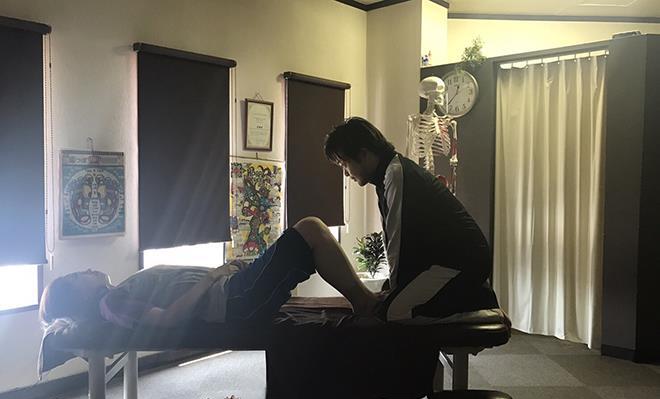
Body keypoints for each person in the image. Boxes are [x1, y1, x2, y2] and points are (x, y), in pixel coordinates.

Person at [39, 217, 380, 330]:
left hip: (232, 290)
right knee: (310, 230)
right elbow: (166, 320)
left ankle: (364, 299)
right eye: (76, 278)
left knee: (310, 232)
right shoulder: (111, 303)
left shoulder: (116, 296)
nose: (86, 270)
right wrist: (211, 278)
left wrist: (224, 272)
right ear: (79, 297)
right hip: (234, 300)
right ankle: (365, 302)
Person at [324, 117, 497, 321]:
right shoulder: (388, 175)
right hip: (442, 261)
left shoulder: (396, 174)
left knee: (393, 313)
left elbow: (398, 243)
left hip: (462, 262)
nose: (345, 173)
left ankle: (482, 310)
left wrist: (393, 294)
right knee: (389, 302)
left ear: (363, 154)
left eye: (344, 164)